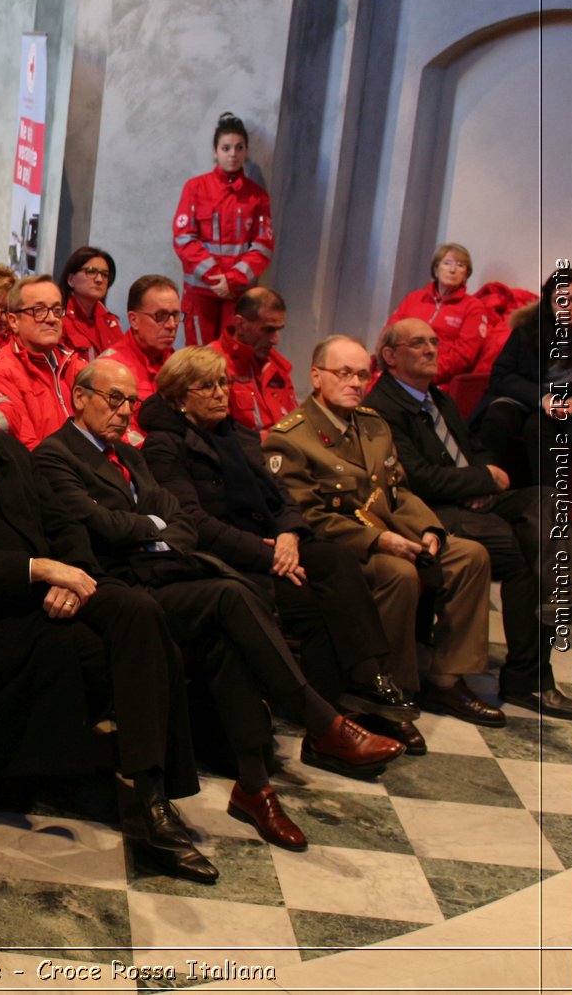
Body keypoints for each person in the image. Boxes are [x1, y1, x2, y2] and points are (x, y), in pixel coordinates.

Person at [0, 356, 213, 881]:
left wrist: (72, 576)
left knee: (139, 613)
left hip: (50, 594)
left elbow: (63, 520)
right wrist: (37, 571)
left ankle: (152, 794)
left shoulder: (7, 450)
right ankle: (144, 806)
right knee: (107, 653)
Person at [38, 360, 402, 850]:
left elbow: (180, 520)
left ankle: (256, 785)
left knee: (231, 625)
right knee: (231, 595)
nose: (125, 411)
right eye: (113, 399)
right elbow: (102, 526)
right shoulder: (54, 456)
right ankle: (320, 725)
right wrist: (155, 530)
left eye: (130, 401)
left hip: (163, 576)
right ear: (80, 397)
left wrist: (152, 530)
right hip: (120, 589)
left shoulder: (129, 454)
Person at [138, 347, 418, 732]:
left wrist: (288, 534)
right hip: (224, 555)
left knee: (335, 560)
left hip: (274, 543)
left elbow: (282, 495)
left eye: (223, 383)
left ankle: (364, 679)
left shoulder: (238, 433)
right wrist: (265, 555)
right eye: (206, 386)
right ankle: (324, 719)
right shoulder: (165, 444)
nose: (220, 393)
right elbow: (193, 521)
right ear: (178, 396)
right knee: (309, 601)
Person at [264, 335, 502, 733]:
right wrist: (379, 540)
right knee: (399, 573)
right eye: (344, 373)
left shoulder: (374, 426)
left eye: (362, 374)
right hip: (343, 546)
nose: (355, 382)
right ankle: (390, 689)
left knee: (470, 555)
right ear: (316, 376)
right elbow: (310, 517)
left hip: (393, 533)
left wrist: (430, 530)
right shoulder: (290, 438)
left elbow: (398, 492)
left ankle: (445, 677)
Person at [366, 320, 572, 718]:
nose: (431, 349)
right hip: (434, 510)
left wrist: (487, 479)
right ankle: (524, 678)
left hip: (476, 499)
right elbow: (417, 477)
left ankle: (564, 596)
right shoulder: (384, 408)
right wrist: (478, 481)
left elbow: (478, 448)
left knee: (547, 503)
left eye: (433, 341)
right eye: (418, 344)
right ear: (390, 356)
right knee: (521, 555)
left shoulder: (438, 399)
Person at [173, 112, 275, 346]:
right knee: (199, 358)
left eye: (239, 148)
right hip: (201, 292)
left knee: (234, 355)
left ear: (246, 151)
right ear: (215, 151)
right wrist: (214, 277)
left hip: (238, 294)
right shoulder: (196, 188)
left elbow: (264, 246)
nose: (233, 154)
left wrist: (233, 279)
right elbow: (183, 239)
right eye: (226, 148)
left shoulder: (257, 196)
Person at [479, 266, 572, 483]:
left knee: (538, 428)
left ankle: (548, 503)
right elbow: (500, 376)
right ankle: (480, 486)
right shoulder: (528, 329)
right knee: (497, 418)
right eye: (560, 300)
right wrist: (543, 398)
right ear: (548, 304)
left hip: (563, 408)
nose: (568, 307)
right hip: (523, 398)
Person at [0, 275, 85, 448]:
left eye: (57, 310)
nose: (52, 319)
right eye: (39, 310)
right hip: (47, 471)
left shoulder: (72, 364)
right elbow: (27, 448)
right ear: (14, 321)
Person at [383, 243, 493, 403]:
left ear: (466, 274)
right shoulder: (414, 298)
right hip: (399, 369)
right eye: (447, 263)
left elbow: (463, 356)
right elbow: (389, 334)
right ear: (436, 269)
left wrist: (425, 371)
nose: (452, 269)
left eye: (460, 265)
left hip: (436, 376)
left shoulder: (473, 307)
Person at [102, 274, 181, 445]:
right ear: (134, 320)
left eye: (175, 315)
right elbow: (114, 433)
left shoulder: (179, 365)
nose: (171, 325)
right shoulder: (109, 368)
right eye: (160, 316)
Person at [209, 286, 297, 435]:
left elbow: (295, 424)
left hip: (281, 453)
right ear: (241, 325)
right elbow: (216, 437)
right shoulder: (209, 365)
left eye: (278, 330)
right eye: (268, 330)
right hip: (241, 456)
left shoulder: (278, 366)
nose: (275, 340)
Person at [58, 246, 124, 360]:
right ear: (71, 279)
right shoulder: (58, 319)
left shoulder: (111, 322)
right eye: (91, 272)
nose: (99, 279)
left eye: (104, 274)